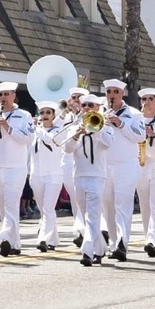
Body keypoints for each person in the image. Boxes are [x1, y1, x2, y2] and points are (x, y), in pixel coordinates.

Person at [0, 82, 34, 258]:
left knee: (11, 204)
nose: (3, 98)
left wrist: (8, 127)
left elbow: (27, 138)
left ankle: (3, 237)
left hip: (16, 166)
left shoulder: (23, 115)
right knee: (3, 205)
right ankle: (14, 243)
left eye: (6, 94)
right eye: (0, 95)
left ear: (13, 95)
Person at [62, 95, 113, 266]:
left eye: (90, 105)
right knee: (86, 216)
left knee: (92, 216)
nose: (86, 108)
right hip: (79, 176)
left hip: (97, 176)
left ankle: (87, 251)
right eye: (84, 105)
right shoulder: (75, 127)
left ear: (98, 107)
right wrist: (77, 134)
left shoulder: (105, 126)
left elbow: (108, 143)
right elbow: (67, 149)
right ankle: (100, 249)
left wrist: (96, 129)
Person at [99, 79, 145, 262]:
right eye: (109, 91)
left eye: (115, 91)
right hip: (104, 165)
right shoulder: (99, 112)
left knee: (122, 207)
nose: (111, 95)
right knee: (108, 208)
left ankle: (122, 243)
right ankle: (113, 243)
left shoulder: (134, 114)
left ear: (122, 93)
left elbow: (140, 136)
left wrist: (121, 124)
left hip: (126, 166)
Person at [135, 89, 155, 257]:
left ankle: (153, 239)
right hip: (141, 165)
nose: (146, 102)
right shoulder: (136, 119)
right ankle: (150, 237)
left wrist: (153, 135)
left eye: (150, 99)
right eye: (143, 99)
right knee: (144, 205)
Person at [31, 101, 64, 253]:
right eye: (42, 113)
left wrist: (37, 128)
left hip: (54, 175)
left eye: (47, 113)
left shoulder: (58, 131)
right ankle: (53, 239)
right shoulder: (34, 132)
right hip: (36, 174)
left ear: (53, 115)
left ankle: (42, 238)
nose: (44, 116)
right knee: (43, 210)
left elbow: (50, 139)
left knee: (48, 207)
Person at [61, 88, 87, 248]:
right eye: (73, 97)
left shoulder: (88, 116)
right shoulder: (64, 117)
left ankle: (82, 232)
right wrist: (63, 113)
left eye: (79, 97)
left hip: (81, 162)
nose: (75, 100)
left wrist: (79, 115)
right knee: (74, 200)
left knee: (82, 200)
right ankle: (81, 230)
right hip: (66, 162)